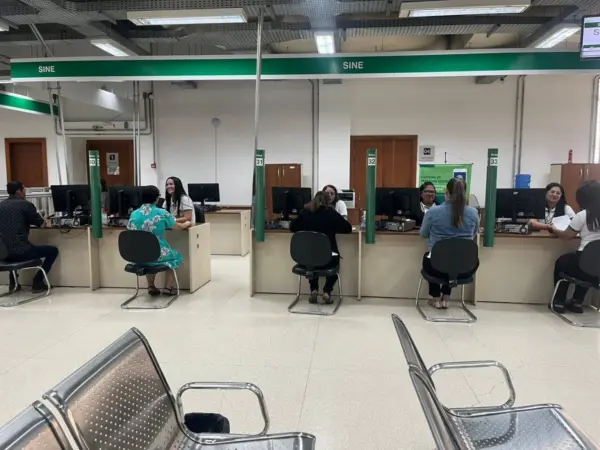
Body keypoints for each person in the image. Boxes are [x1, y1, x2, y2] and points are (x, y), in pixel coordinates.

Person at [420, 178, 479, 309]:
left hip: (436, 268)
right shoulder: (473, 213)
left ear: (446, 192)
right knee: (455, 256)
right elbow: (474, 234)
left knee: (433, 257)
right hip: (465, 268)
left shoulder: (433, 212)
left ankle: (436, 298)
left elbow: (423, 234)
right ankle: (446, 296)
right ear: (465, 193)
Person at [127, 185, 192, 296]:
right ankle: (168, 288)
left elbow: (130, 228)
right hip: (158, 253)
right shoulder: (162, 213)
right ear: (157, 198)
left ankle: (151, 286)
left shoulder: (134, 214)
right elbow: (178, 227)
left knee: (148, 257)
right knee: (175, 257)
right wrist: (187, 223)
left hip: (138, 254)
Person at [290, 191, 352, 304]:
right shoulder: (331, 213)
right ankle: (327, 291)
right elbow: (348, 228)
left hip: (305, 258)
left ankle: (314, 290)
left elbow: (292, 227)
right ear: (327, 201)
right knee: (335, 261)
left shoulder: (305, 213)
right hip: (328, 258)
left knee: (312, 263)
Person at [549, 181, 600, 314]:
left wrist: (553, 228)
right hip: (597, 271)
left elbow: (566, 236)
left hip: (584, 265)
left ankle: (559, 301)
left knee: (563, 263)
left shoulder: (583, 215)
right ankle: (576, 301)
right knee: (591, 266)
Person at [0, 181, 58, 293]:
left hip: (3, 254)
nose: (25, 192)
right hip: (22, 252)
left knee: (9, 245)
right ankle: (38, 282)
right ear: (19, 191)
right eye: (24, 190)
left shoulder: (1, 206)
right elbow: (42, 224)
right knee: (53, 251)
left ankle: (13, 283)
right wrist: (43, 218)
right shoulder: (26, 205)